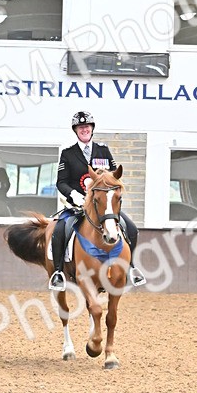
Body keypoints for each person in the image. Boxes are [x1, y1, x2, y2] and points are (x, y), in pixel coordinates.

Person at [49, 111, 146, 291]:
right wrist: (74, 195)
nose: (84, 130)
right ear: (76, 131)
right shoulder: (68, 154)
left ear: (92, 129)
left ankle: (131, 267)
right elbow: (61, 182)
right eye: (80, 128)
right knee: (60, 229)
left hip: (103, 206)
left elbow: (115, 177)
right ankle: (58, 272)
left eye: (87, 127)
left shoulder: (103, 150)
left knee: (131, 228)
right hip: (78, 206)